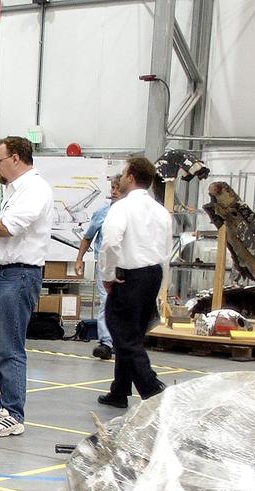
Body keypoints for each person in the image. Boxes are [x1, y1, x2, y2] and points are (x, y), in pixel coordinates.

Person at [0, 136, 55, 438]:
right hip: (2, 274)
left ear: (16, 158)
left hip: (18, 276)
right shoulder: (14, 191)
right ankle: (4, 404)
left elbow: (8, 226)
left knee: (9, 348)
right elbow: (2, 231)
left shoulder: (34, 189)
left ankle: (14, 413)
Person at [96, 157, 172, 409]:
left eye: (124, 173)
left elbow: (110, 242)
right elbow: (166, 250)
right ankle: (119, 390)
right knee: (133, 333)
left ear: (130, 177)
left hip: (131, 275)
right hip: (153, 274)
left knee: (122, 333)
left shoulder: (122, 207)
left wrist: (107, 274)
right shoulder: (161, 211)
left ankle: (152, 389)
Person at [76, 174, 124, 360]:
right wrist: (79, 258)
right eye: (112, 187)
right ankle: (106, 342)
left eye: (118, 188)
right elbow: (87, 237)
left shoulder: (132, 214)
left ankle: (121, 339)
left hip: (127, 264)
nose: (114, 191)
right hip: (105, 264)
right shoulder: (102, 213)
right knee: (106, 301)